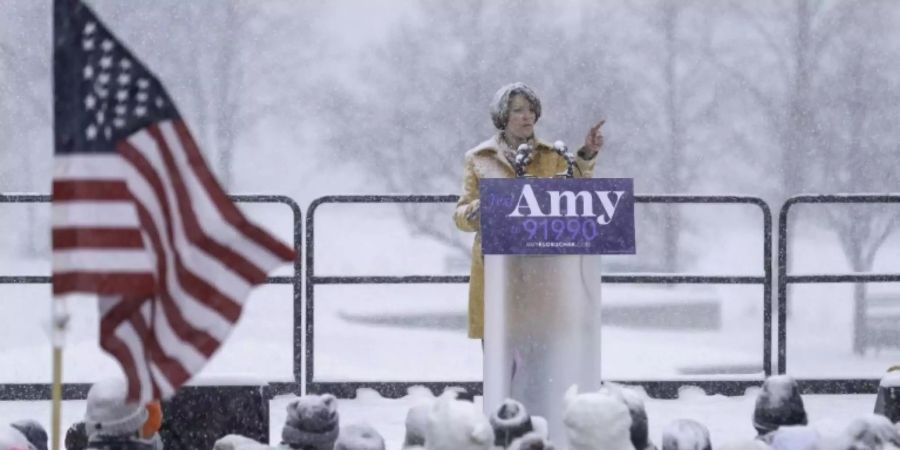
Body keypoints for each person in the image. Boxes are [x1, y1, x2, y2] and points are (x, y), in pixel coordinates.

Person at [453, 82, 605, 340]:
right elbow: (460, 215)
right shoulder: (479, 158)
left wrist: (587, 153)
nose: (527, 116)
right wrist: (476, 212)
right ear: (503, 115)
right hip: (497, 268)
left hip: (541, 268)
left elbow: (573, 191)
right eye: (518, 110)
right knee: (499, 359)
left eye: (531, 109)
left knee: (541, 350)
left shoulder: (551, 154)